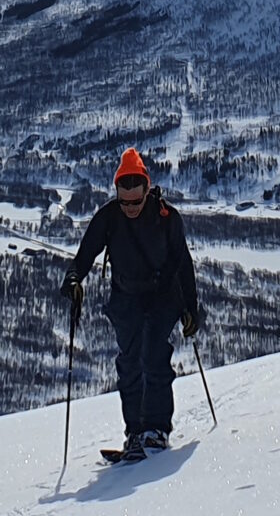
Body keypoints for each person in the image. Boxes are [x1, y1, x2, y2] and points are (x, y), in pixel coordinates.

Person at [61, 147, 198, 459]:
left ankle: (156, 429)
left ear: (147, 190)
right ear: (117, 193)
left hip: (163, 296)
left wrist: (192, 308)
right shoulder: (109, 218)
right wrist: (72, 281)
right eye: (124, 202)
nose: (131, 207)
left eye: (136, 201)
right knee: (129, 363)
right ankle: (135, 432)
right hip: (126, 298)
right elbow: (84, 256)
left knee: (152, 355)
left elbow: (183, 265)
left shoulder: (167, 218)